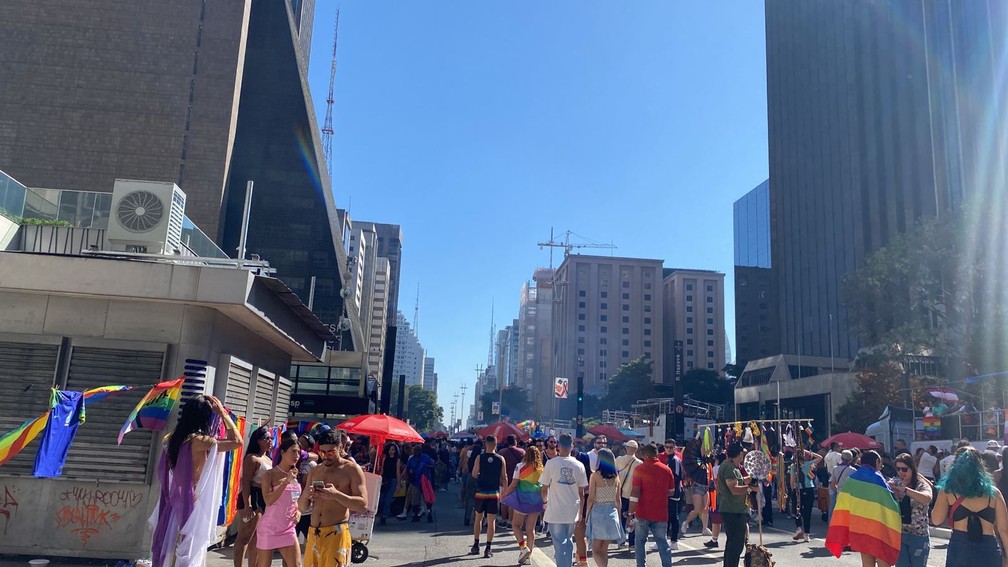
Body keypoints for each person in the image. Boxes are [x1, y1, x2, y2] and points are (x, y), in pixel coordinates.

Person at [150, 395, 243, 567]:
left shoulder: (171, 439)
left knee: (170, 554)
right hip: (191, 504)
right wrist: (223, 414)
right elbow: (237, 441)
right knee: (189, 554)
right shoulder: (199, 441)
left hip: (172, 504)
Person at [297, 429, 368, 567]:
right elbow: (302, 507)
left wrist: (336, 495)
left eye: (330, 452)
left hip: (336, 533)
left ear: (340, 448)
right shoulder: (315, 470)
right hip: (314, 533)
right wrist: (307, 494)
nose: (326, 456)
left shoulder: (351, 470)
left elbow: (363, 505)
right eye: (322, 452)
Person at [931, 446, 1008, 567]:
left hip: (960, 548)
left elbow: (936, 520)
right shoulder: (994, 493)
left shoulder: (948, 491)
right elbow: (1004, 530)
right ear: (980, 465)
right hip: (988, 548)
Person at [825, 450, 901, 567]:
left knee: (866, 563)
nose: (881, 466)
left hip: (859, 528)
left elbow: (843, 503)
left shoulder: (853, 478)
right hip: (878, 528)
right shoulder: (878, 479)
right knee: (883, 560)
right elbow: (890, 505)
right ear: (877, 462)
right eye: (881, 463)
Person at [540, 433, 589, 567]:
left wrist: (544, 502)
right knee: (567, 541)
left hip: (555, 509)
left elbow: (544, 488)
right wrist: (580, 511)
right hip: (572, 509)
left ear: (558, 445)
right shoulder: (579, 465)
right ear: (572, 446)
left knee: (559, 543)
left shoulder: (551, 463)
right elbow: (582, 492)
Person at [256, 437, 303, 567]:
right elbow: (269, 500)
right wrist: (286, 482)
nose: (297, 456)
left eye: (298, 452)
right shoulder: (269, 475)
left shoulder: (294, 475)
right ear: (282, 452)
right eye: (293, 451)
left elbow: (294, 499)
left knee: (296, 565)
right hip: (269, 528)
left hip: (288, 528)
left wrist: (298, 511)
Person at [628, 442, 675, 567]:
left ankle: (641, 565)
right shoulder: (667, 470)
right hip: (660, 512)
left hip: (643, 512)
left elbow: (635, 492)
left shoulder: (640, 469)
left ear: (645, 455)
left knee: (640, 542)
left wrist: (630, 512)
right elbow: (671, 491)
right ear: (657, 454)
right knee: (663, 542)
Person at [235, 427, 274, 567]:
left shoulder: (268, 459)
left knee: (258, 537)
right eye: (266, 438)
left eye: (271, 438)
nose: (270, 441)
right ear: (258, 441)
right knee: (244, 536)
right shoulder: (252, 458)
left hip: (264, 497)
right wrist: (247, 503)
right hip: (252, 495)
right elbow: (245, 482)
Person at [502, 445, 545, 565]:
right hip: (536, 502)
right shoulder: (542, 469)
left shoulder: (520, 467)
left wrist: (505, 494)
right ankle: (528, 556)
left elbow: (513, 485)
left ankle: (523, 547)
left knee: (516, 525)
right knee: (530, 529)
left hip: (522, 500)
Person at [890, 453, 932, 567]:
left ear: (912, 469)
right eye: (898, 469)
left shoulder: (920, 484)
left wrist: (906, 491)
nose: (901, 472)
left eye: (904, 469)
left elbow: (927, 498)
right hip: (900, 533)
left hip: (918, 535)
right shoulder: (896, 482)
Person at [470, 435, 508, 558]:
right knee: (491, 521)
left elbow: (474, 474)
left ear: (485, 444)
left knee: (478, 518)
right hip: (494, 493)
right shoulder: (501, 459)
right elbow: (504, 477)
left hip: (481, 492)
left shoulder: (479, 458)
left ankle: (476, 545)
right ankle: (488, 548)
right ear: (496, 444)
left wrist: (481, 473)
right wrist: (505, 492)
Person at [585, 448, 624, 567]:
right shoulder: (616, 477)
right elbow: (618, 499)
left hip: (598, 513)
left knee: (596, 550)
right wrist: (619, 515)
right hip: (612, 513)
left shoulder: (595, 476)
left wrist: (587, 514)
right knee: (604, 550)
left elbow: (591, 498)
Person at [717, 443, 752, 567]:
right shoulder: (729, 467)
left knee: (732, 544)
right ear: (739, 454)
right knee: (736, 546)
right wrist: (750, 489)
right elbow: (734, 489)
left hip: (736, 510)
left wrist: (753, 478)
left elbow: (741, 480)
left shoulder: (733, 466)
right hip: (733, 510)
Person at [680, 438, 711, 537]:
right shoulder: (696, 459)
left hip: (706, 486)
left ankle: (705, 528)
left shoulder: (708, 460)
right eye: (703, 449)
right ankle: (686, 522)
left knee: (705, 509)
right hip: (697, 486)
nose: (704, 450)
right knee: (697, 509)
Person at [791, 446, 823, 542]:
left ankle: (799, 527)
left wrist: (792, 489)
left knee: (797, 510)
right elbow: (820, 457)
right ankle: (807, 534)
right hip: (809, 488)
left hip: (798, 489)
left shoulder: (793, 466)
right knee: (807, 512)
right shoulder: (809, 464)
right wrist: (808, 452)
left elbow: (792, 480)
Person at [616, 440, 643, 552]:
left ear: (626, 448)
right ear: (636, 450)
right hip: (634, 495)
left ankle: (621, 541)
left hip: (621, 493)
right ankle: (632, 543)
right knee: (633, 519)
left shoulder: (618, 460)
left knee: (622, 518)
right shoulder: (640, 463)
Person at [659, 439, 684, 550]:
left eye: (671, 447)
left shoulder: (675, 460)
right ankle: (666, 539)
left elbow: (677, 477)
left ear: (675, 448)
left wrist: (669, 487)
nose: (668, 449)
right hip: (669, 491)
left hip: (673, 492)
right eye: (667, 447)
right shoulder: (669, 459)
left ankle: (674, 541)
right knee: (667, 516)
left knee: (673, 516)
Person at [499, 435, 527, 530]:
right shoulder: (522, 452)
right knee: (513, 502)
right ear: (515, 441)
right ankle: (511, 522)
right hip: (517, 480)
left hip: (503, 479)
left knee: (504, 501)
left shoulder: (502, 452)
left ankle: (503, 521)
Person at [404, 444, 435, 522]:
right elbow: (408, 469)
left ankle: (429, 513)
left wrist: (426, 467)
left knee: (427, 498)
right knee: (415, 499)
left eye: (418, 450)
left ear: (421, 451)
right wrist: (408, 478)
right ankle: (416, 515)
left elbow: (433, 465)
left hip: (425, 481)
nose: (417, 452)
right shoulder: (412, 459)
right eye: (415, 450)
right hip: (415, 481)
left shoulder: (425, 457)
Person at [378, 442, 403, 525]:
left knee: (388, 499)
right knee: (381, 498)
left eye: (393, 450)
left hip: (393, 480)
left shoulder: (397, 460)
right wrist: (379, 479)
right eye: (390, 449)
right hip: (385, 480)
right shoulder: (385, 458)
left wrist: (398, 484)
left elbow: (397, 472)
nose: (391, 451)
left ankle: (384, 516)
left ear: (396, 451)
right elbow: (382, 469)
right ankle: (382, 513)